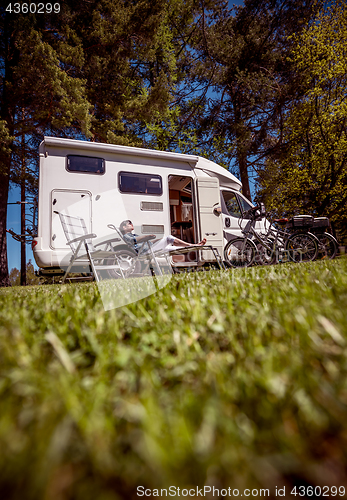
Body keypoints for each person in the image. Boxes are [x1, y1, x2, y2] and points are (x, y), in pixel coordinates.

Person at [119, 220, 206, 254]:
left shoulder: (132, 234)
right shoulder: (126, 236)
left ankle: (195, 247)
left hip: (150, 248)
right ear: (124, 227)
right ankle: (192, 245)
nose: (131, 224)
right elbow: (133, 240)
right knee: (168, 238)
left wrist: (158, 240)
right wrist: (147, 236)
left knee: (172, 248)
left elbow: (148, 242)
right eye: (129, 224)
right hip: (146, 251)